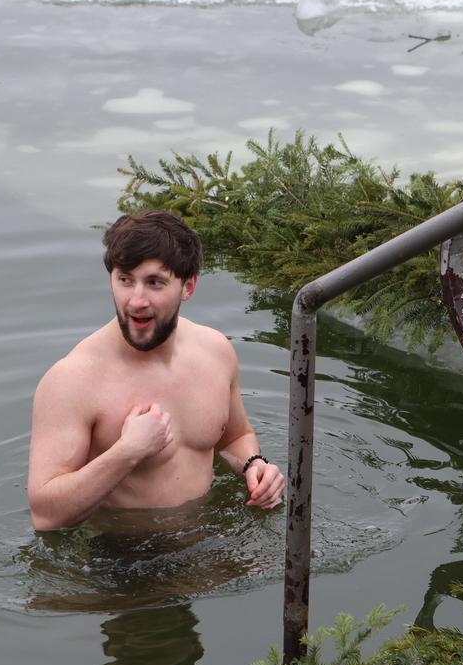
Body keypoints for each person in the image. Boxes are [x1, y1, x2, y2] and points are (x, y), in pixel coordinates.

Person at [27, 211, 285, 531]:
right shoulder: (73, 380)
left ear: (187, 286)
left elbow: (235, 436)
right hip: (122, 560)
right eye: (125, 280)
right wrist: (126, 453)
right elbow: (46, 515)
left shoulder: (214, 353)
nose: (136, 301)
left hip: (210, 538)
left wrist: (253, 464)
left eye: (154, 283)